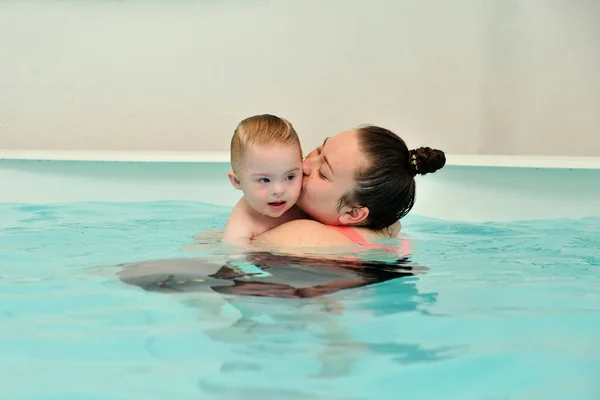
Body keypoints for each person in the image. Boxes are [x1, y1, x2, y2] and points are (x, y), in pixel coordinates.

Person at [250, 124, 446, 255]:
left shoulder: (302, 236)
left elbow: (233, 260)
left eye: (323, 173)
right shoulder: (387, 231)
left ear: (353, 213)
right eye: (319, 150)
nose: (306, 165)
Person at [222, 114, 307, 245]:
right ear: (237, 181)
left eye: (290, 177)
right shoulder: (241, 225)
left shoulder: (304, 199)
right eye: (265, 180)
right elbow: (236, 260)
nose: (279, 190)